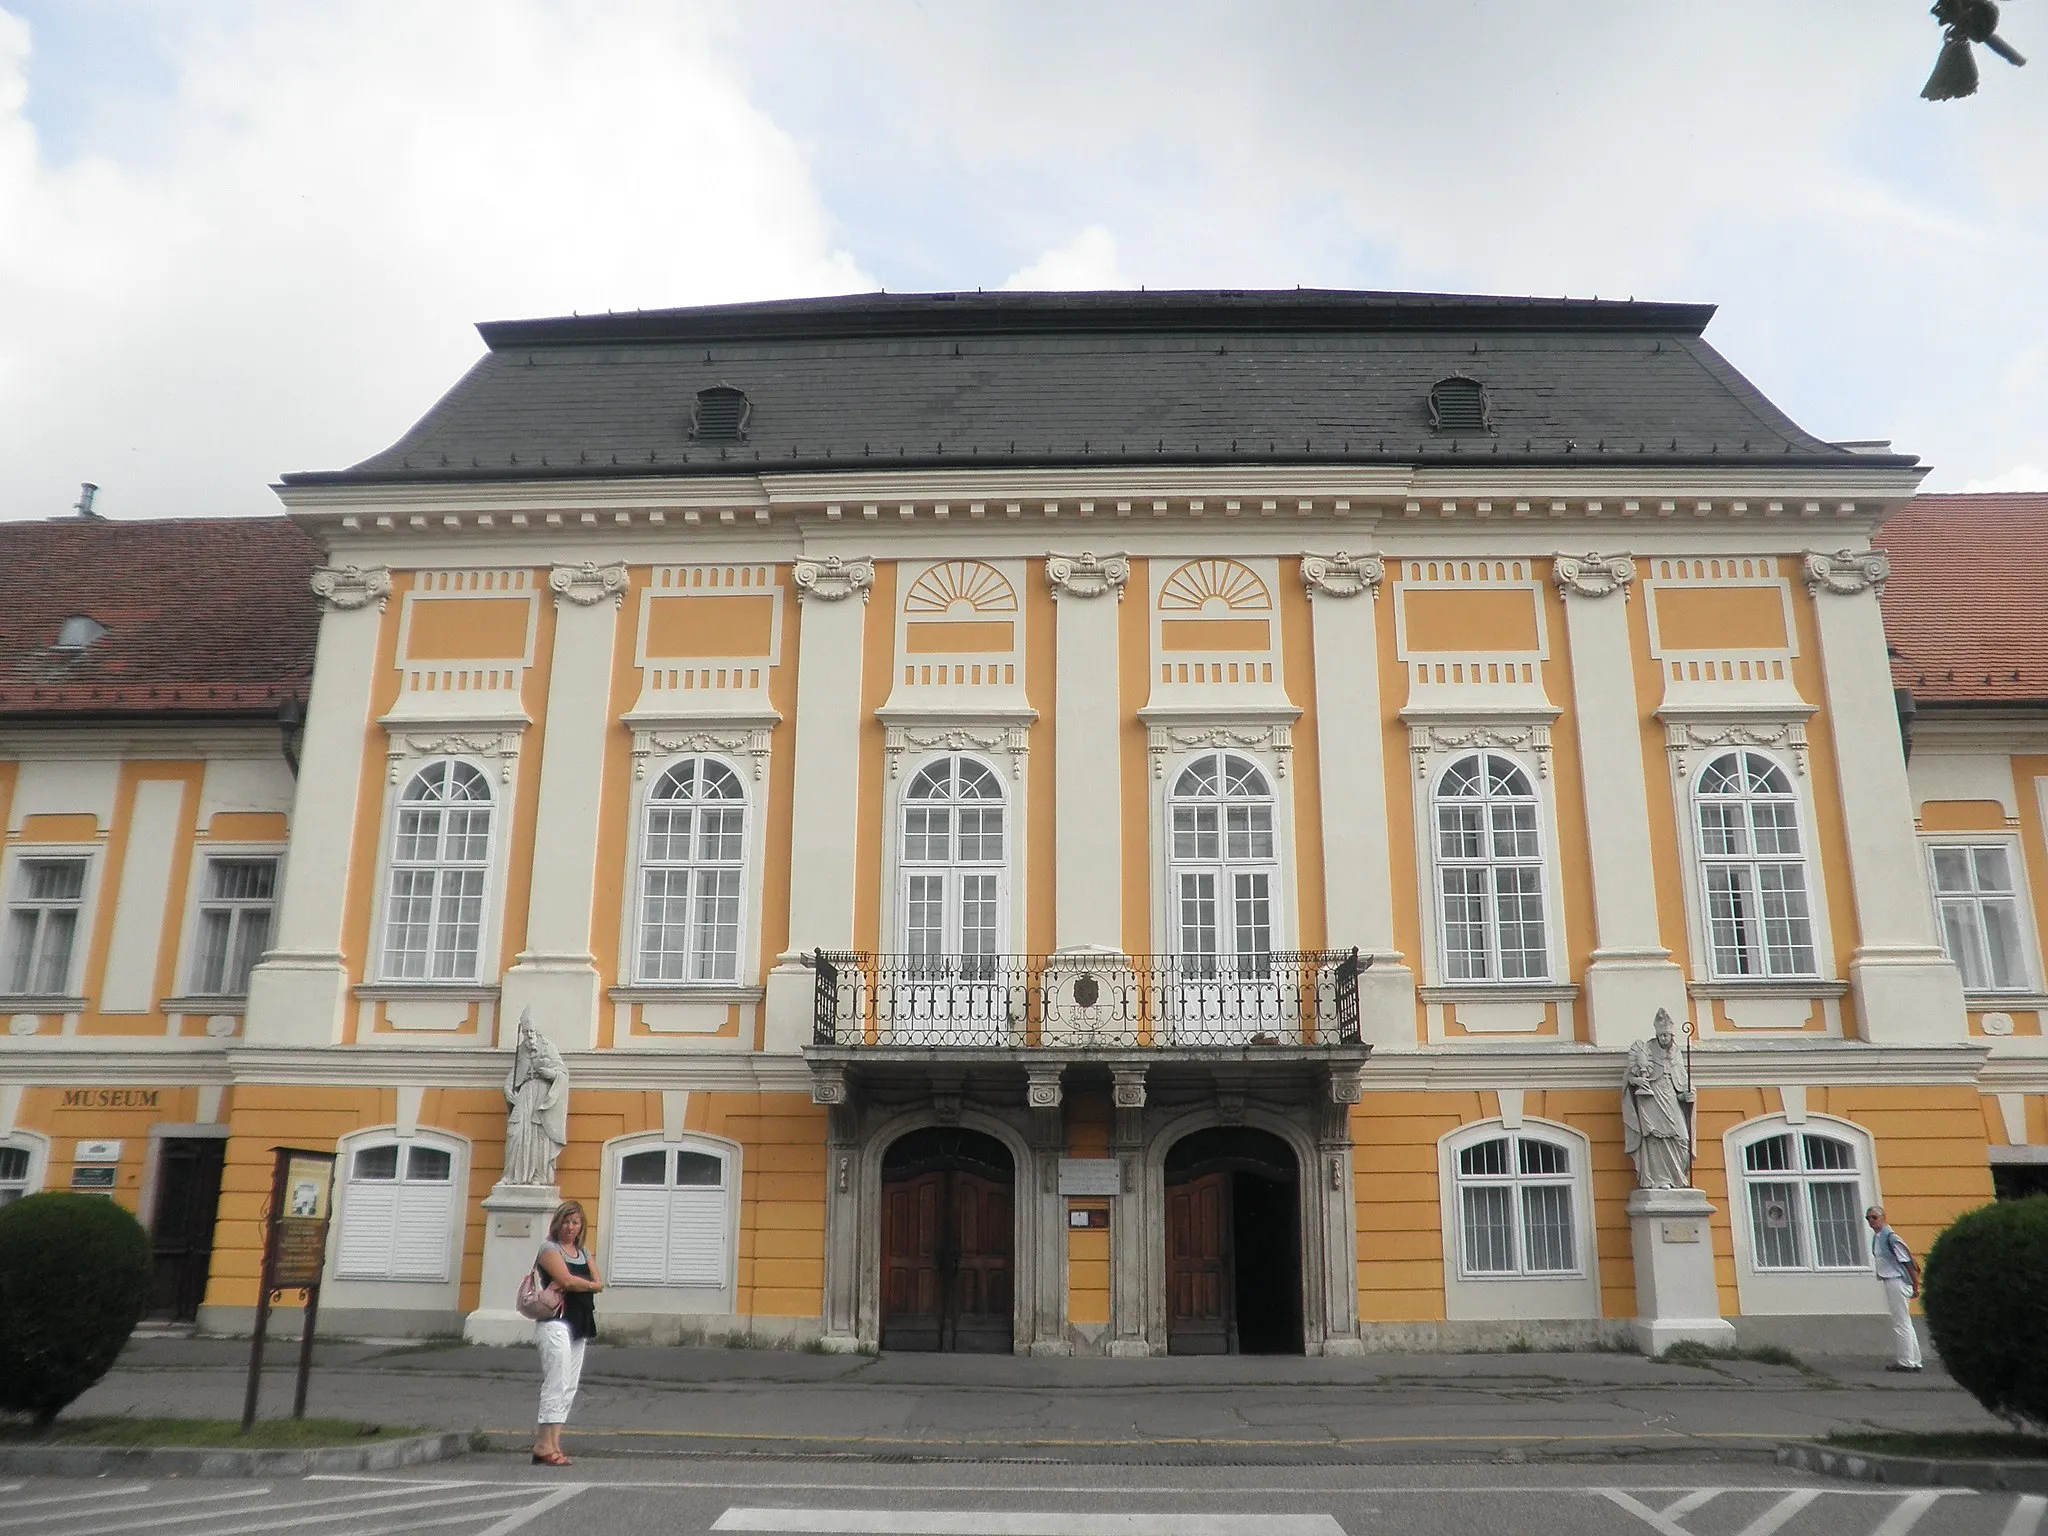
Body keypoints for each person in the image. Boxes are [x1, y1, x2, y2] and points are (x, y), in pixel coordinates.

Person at [531, 1200, 603, 1465]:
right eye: (566, 1221)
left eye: (575, 1222)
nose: (570, 1227)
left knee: (569, 1386)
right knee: (556, 1381)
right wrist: (586, 1284)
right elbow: (566, 1280)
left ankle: (555, 1443)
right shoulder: (550, 1249)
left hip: (580, 1322)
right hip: (556, 1322)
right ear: (557, 1223)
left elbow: (600, 1283)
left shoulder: (583, 1251)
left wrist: (584, 1285)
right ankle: (542, 1444)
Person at [1622, 1008, 1695, 1189]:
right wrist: (1636, 1080)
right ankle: (1659, 1179)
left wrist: (1688, 1094)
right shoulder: (1647, 1050)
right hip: (1651, 1101)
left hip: (1671, 1100)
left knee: (1682, 1138)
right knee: (1654, 1139)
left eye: (1667, 1035)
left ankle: (1678, 1178)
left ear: (1672, 1035)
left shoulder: (1677, 1054)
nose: (1664, 1038)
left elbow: (1683, 1081)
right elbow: (1630, 1076)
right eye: (1661, 1035)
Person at [1865, 1205, 1923, 1372]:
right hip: (1891, 1280)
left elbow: (1907, 1261)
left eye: (1874, 1217)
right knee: (1905, 1321)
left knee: (1900, 1322)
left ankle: (1906, 1361)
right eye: (1868, 1218)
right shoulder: (1878, 1237)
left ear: (1884, 1218)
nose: (1871, 1221)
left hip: (1896, 1280)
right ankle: (1913, 1360)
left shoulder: (1890, 1237)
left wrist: (1915, 1284)